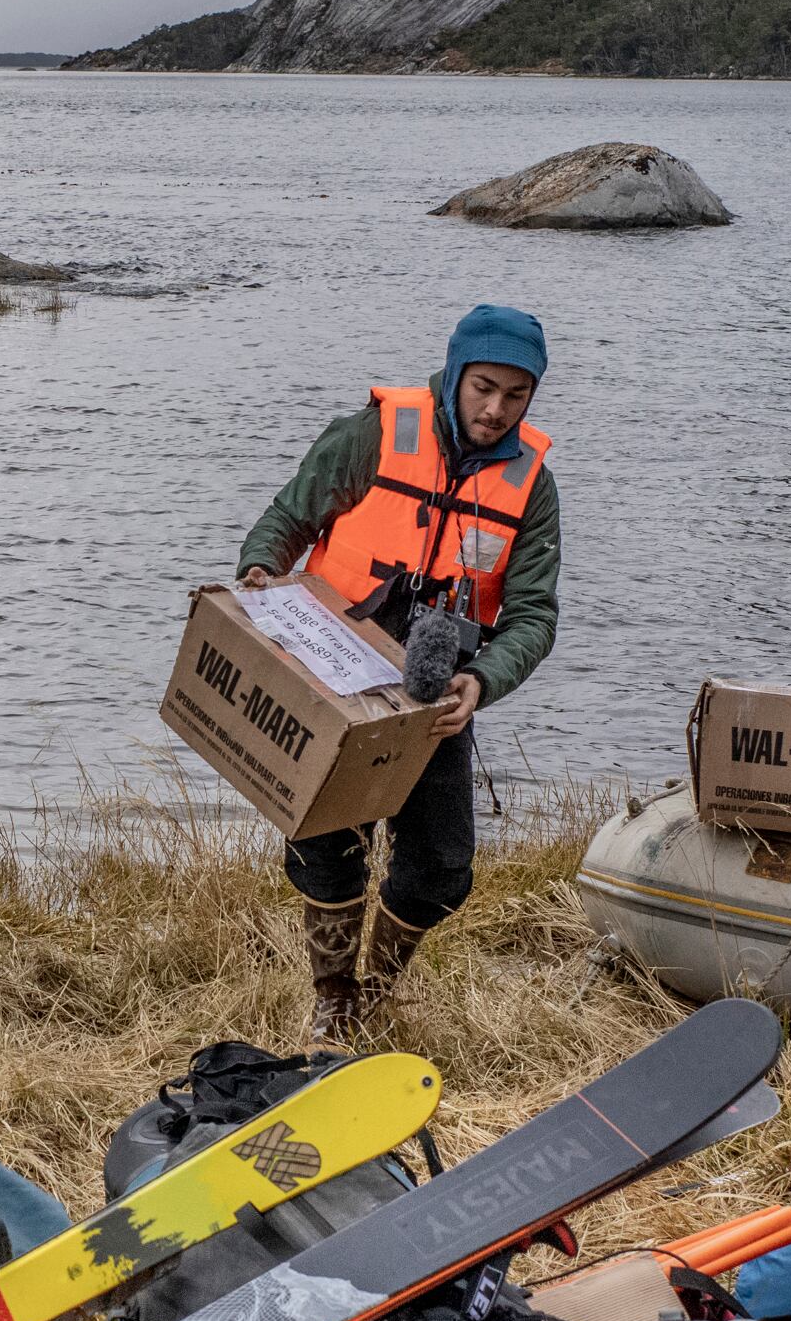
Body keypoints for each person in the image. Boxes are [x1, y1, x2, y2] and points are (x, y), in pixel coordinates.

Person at [237, 304, 559, 1038]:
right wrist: (260, 573)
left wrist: (483, 680)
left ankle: (376, 992)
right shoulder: (374, 434)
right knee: (326, 844)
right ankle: (333, 1000)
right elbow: (287, 519)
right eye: (483, 387)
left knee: (442, 868)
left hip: (436, 694)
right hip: (334, 669)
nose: (495, 409)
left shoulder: (533, 485)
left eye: (516, 395)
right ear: (453, 373)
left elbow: (534, 616)